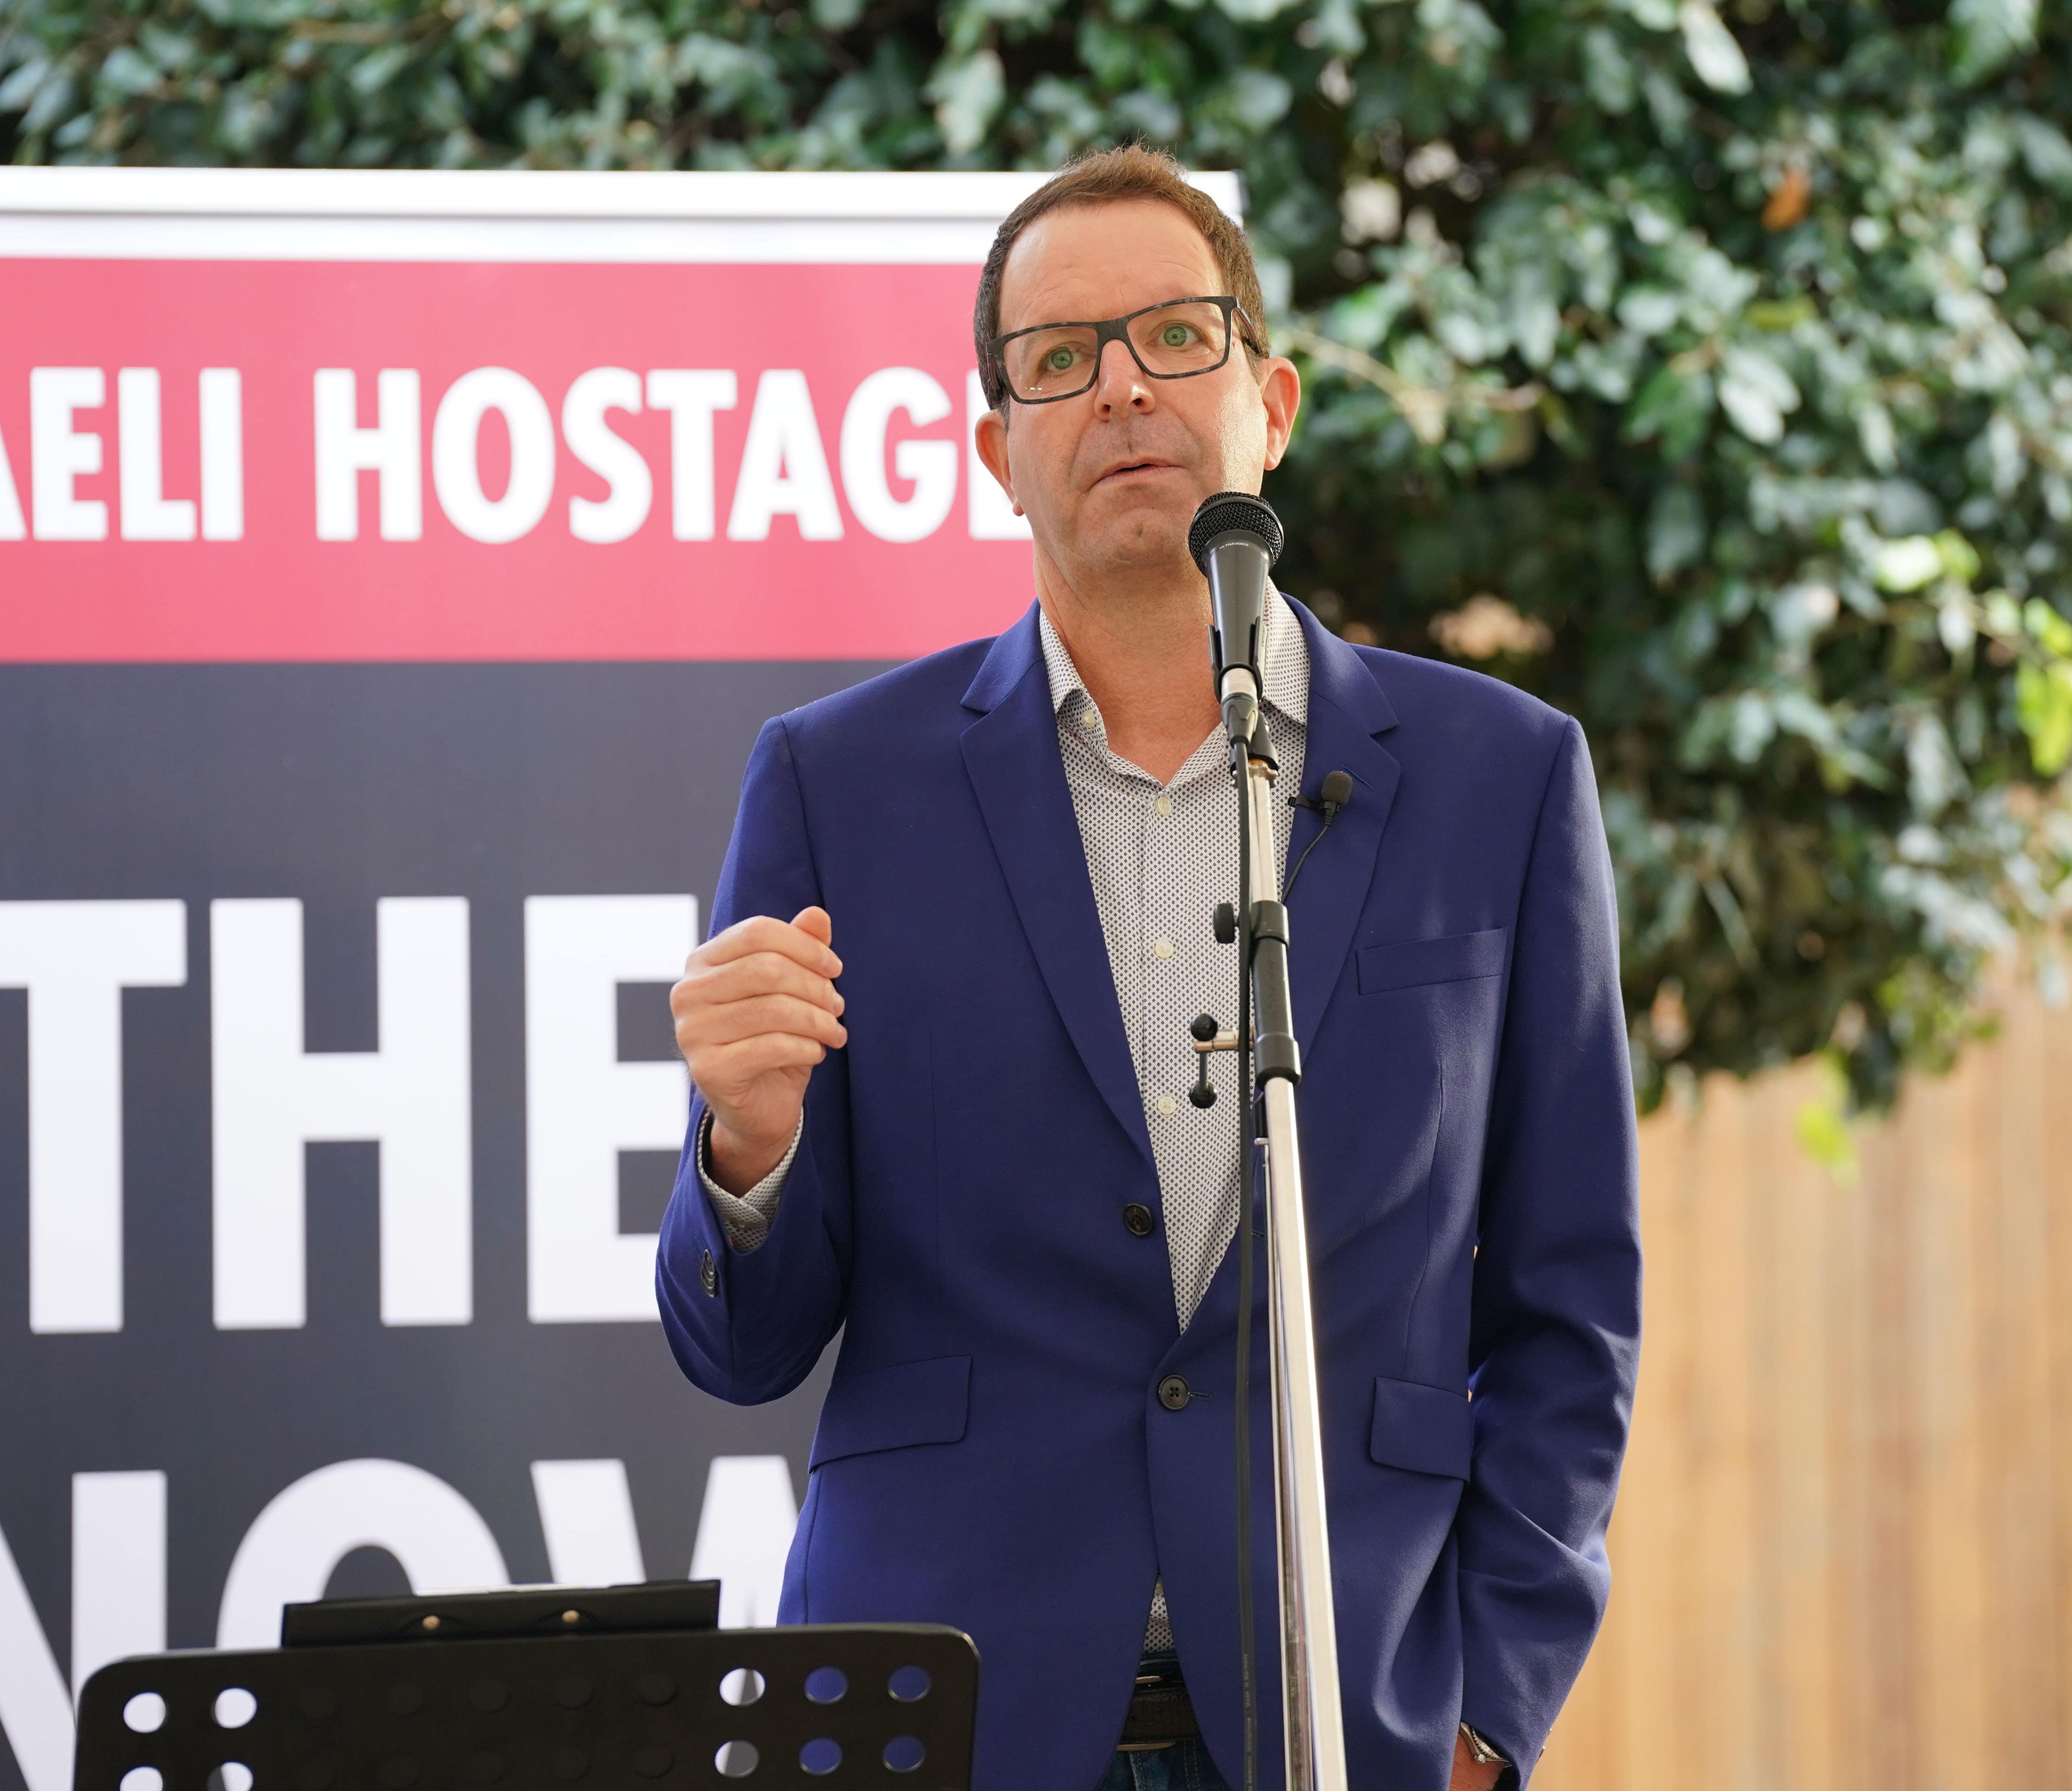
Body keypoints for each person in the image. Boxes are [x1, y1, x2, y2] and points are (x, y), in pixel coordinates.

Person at [658, 145, 1640, 1791]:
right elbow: (743, 1348)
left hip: (1349, 1719)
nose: (1122, 389)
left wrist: (1487, 1710)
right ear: (998, 451)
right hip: (946, 1721)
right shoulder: (840, 783)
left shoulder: (1506, 779)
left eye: (1176, 337)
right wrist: (747, 1154)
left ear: (1274, 399)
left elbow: (1570, 1310)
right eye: (1060, 360)